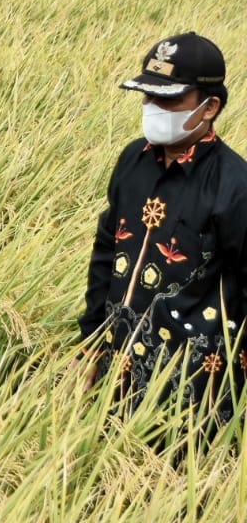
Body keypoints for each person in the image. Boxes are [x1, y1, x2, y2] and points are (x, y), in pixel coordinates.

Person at [80, 32, 247, 423]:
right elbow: (106, 254)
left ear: (210, 107)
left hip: (195, 388)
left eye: (169, 99)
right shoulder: (132, 161)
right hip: (116, 374)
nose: (153, 107)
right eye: (148, 95)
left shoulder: (235, 186)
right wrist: (90, 347)